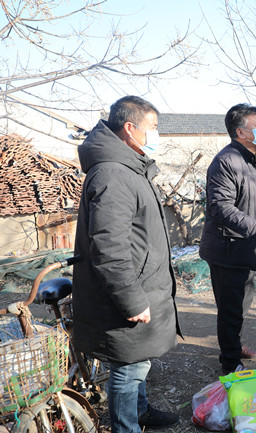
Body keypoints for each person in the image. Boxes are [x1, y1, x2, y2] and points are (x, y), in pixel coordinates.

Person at [73, 96, 181, 432]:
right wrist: (132, 299)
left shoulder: (129, 167)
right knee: (128, 367)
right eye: (153, 127)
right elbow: (108, 246)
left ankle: (141, 411)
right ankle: (126, 427)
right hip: (125, 294)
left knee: (138, 360)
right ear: (130, 128)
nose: (156, 134)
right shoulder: (114, 174)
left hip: (141, 284)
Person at [199, 103, 256, 374]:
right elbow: (221, 207)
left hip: (246, 246)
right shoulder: (226, 161)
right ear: (240, 132)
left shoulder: (254, 158)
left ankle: (233, 344)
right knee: (230, 309)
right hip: (228, 248)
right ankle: (230, 362)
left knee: (241, 305)